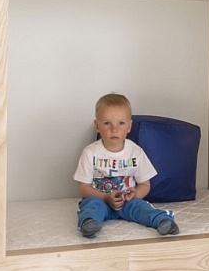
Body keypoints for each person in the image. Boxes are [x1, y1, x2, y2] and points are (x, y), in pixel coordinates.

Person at [74, 92, 180, 239]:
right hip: (101, 200)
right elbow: (84, 188)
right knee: (90, 206)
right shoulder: (90, 152)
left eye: (121, 123)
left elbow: (145, 184)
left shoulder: (136, 152)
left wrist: (135, 194)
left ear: (129, 126)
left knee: (142, 207)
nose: (114, 129)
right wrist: (105, 197)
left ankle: (163, 221)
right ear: (97, 126)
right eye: (107, 123)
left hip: (127, 202)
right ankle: (89, 223)